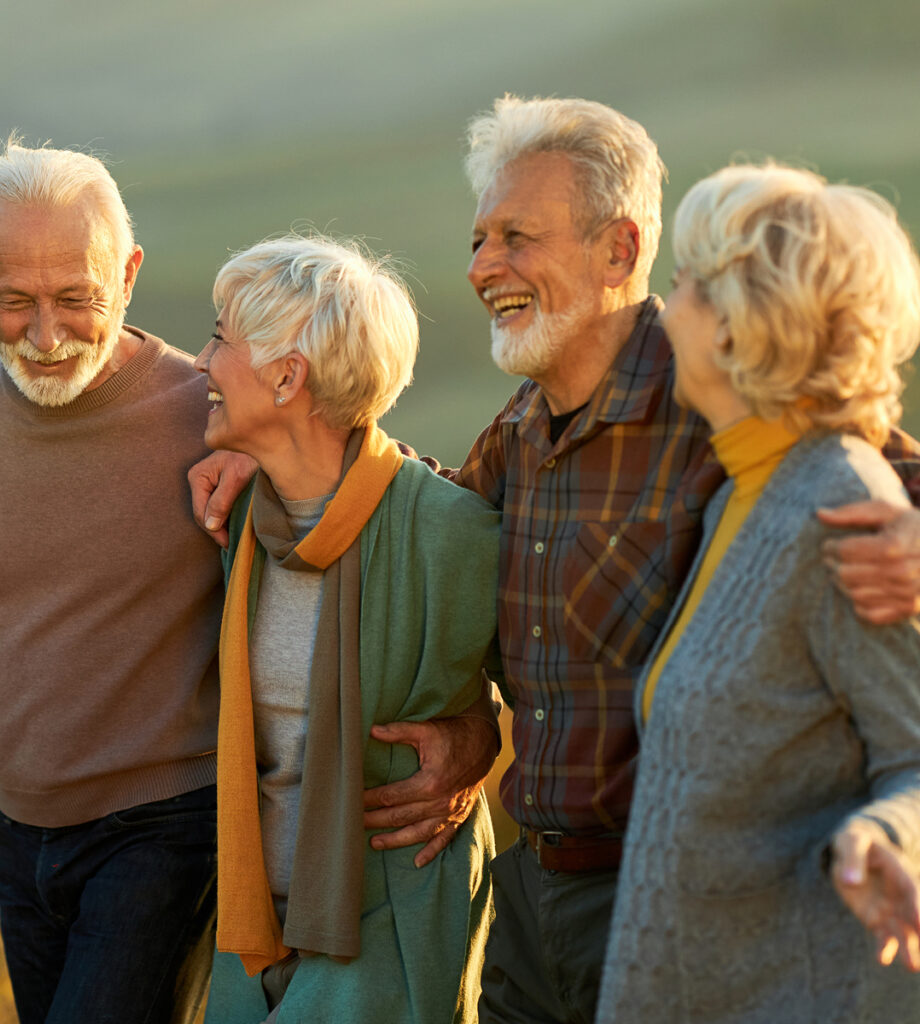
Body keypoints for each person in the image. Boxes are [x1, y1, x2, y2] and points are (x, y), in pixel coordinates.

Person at [190, 96, 920, 1023]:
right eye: (479, 239)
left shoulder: (738, 409)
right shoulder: (519, 437)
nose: (483, 266)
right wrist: (261, 443)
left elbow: (868, 467)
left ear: (619, 251)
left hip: (679, 903)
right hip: (531, 897)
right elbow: (412, 531)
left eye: (516, 238)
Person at [0, 140, 227, 1022]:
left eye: (77, 299)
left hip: (172, 829)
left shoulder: (209, 412)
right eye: (12, 303)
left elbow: (375, 494)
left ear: (128, 271)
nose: (46, 337)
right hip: (20, 837)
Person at [596, 162, 920, 1023]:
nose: (661, 311)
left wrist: (885, 838)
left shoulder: (839, 509)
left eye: (684, 288)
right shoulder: (746, 489)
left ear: (739, 329)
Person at [194, 236, 500, 1023]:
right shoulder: (238, 526)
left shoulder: (450, 532)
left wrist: (479, 734)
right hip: (251, 925)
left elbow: (541, 687)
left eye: (221, 338)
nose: (201, 361)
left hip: (390, 920)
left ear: (288, 377)